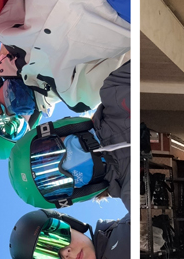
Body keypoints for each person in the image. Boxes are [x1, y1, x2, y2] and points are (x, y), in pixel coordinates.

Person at [8, 61, 130, 211]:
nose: (65, 164)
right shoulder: (135, 195)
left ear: (59, 131)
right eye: (55, 180)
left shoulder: (116, 89)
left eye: (49, 153)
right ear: (73, 194)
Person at [0, 0, 130, 112]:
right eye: (16, 114)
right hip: (116, 12)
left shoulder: (5, 32)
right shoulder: (76, 96)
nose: (12, 105)